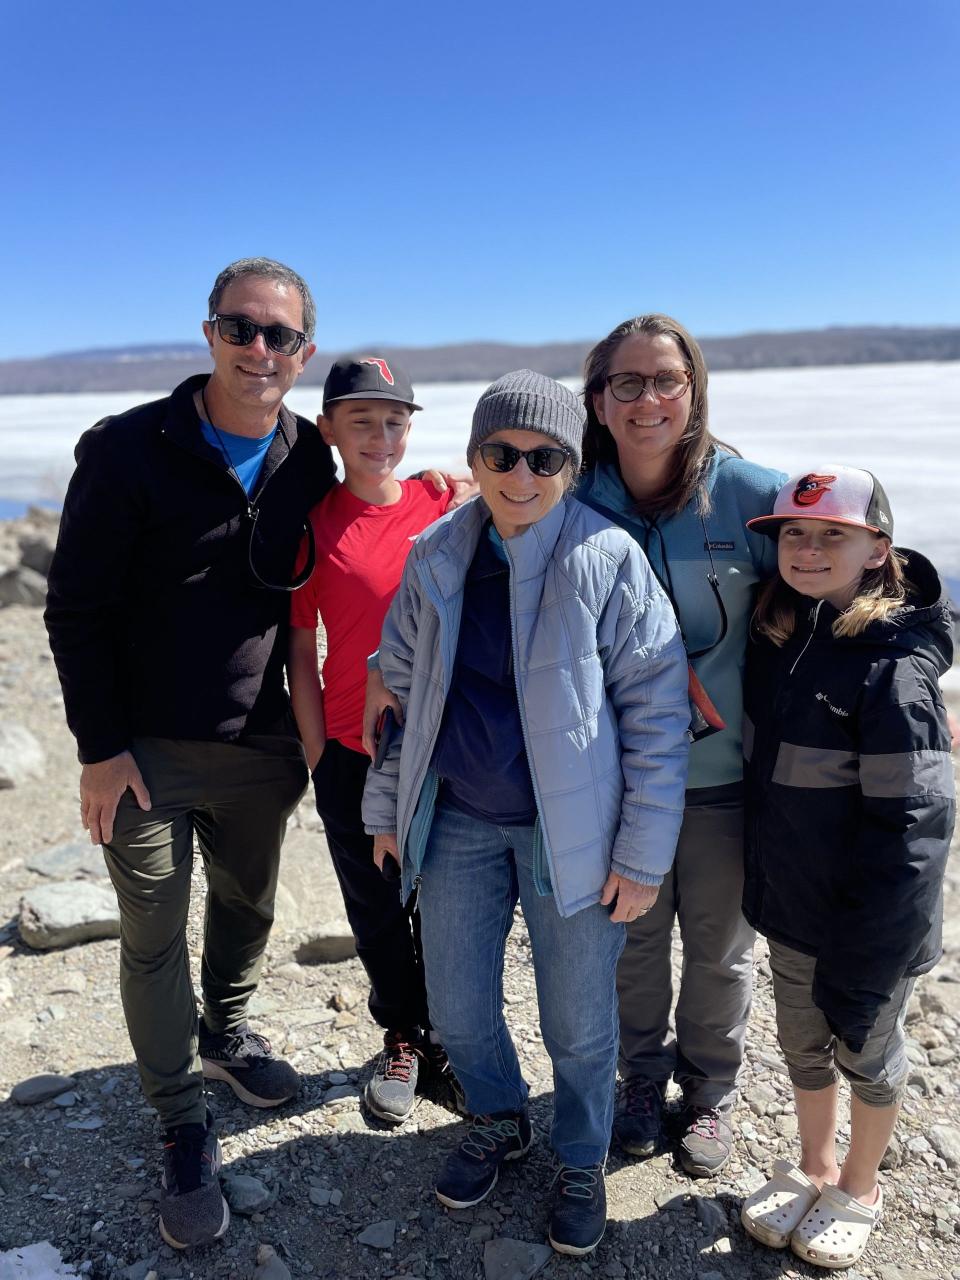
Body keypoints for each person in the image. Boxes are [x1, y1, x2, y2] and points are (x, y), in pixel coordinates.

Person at [361, 370, 690, 1257]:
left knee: (579, 1025)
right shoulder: (438, 554)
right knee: (460, 1011)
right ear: (473, 459)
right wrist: (389, 806)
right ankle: (500, 1119)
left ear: (571, 468)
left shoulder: (607, 559)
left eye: (544, 458)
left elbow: (657, 715)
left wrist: (642, 853)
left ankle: (579, 1157)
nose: (521, 474)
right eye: (501, 454)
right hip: (460, 818)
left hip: (569, 834)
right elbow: (401, 691)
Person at [44, 258, 335, 1249]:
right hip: (147, 755)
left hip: (259, 741)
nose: (260, 349)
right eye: (240, 328)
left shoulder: (310, 459)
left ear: (305, 352)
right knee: (153, 929)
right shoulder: (128, 449)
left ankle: (227, 1031)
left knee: (249, 902)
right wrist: (98, 748)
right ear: (209, 334)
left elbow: (356, 542)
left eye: (280, 336)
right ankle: (179, 1115)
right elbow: (75, 607)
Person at [577, 314, 785, 1176]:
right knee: (630, 945)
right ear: (598, 399)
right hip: (614, 784)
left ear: (694, 389)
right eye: (627, 382)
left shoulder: (750, 495)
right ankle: (639, 1080)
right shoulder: (573, 497)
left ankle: (707, 1094)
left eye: (667, 380)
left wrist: (910, 666)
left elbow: (847, 574)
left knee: (719, 951)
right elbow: (482, 561)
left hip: (728, 779)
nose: (649, 399)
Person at [738, 466, 954, 1269]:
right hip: (793, 906)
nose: (809, 547)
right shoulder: (784, 636)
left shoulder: (894, 673)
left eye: (834, 533)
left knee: (866, 1050)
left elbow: (916, 829)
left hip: (868, 925)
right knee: (802, 1043)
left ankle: (860, 1185)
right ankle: (816, 1166)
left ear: (877, 549)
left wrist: (875, 951)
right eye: (795, 532)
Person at [288, 355, 457, 1124]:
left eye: (395, 420)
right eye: (362, 420)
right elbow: (299, 645)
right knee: (379, 906)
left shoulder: (442, 501)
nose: (381, 436)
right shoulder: (314, 524)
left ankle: (455, 1041)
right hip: (355, 751)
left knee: (449, 898)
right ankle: (403, 1036)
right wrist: (319, 751)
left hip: (448, 744)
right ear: (329, 429)